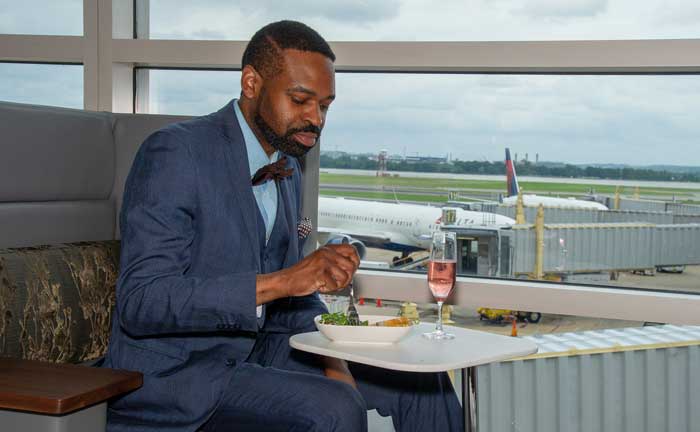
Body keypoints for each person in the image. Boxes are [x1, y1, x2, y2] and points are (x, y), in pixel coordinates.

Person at [104, 20, 463, 432]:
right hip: (180, 375)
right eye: (300, 100)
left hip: (261, 354)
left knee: (423, 379)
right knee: (334, 407)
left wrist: (337, 356)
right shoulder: (175, 152)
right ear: (251, 83)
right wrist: (282, 281)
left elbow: (296, 298)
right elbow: (143, 301)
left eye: (325, 106)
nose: (316, 119)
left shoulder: (287, 164)